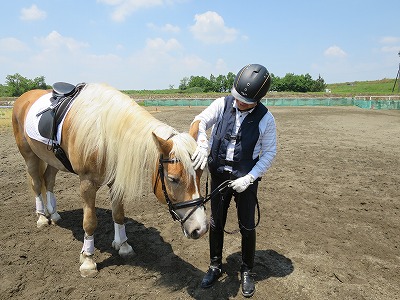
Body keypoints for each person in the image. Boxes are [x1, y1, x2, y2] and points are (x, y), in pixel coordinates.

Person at [190, 63, 277, 298]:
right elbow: (199, 121)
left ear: (258, 99)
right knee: (216, 222)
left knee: (247, 225)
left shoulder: (266, 119)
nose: (239, 103)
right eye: (237, 98)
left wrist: (250, 178)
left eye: (245, 101)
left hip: (245, 179)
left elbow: (269, 152)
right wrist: (202, 141)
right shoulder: (222, 103)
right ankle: (215, 266)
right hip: (219, 174)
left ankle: (247, 270)